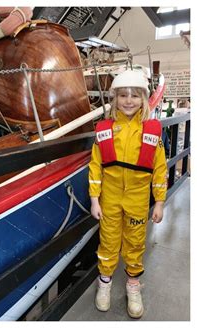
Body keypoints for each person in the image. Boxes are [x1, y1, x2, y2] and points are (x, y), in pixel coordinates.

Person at [88, 69, 167, 319]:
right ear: (115, 98)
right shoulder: (104, 130)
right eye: (123, 95)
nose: (129, 100)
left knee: (135, 242)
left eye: (134, 95)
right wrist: (94, 199)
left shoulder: (152, 132)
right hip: (109, 199)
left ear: (143, 99)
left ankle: (133, 285)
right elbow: (95, 167)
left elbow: (160, 170)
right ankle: (105, 283)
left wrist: (160, 203)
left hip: (137, 199)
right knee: (108, 242)